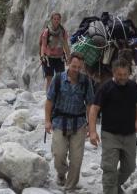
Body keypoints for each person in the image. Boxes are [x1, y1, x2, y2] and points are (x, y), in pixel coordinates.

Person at [88, 58, 137, 194]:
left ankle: (114, 186)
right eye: (119, 75)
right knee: (109, 168)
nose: (122, 77)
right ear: (114, 73)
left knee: (130, 167)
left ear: (129, 73)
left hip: (129, 134)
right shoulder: (105, 88)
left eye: (125, 74)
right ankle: (110, 190)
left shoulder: (133, 87)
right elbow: (94, 110)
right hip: (110, 134)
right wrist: (93, 132)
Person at [44, 52, 94, 190]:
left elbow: (90, 104)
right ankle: (61, 173)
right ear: (68, 63)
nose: (76, 70)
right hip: (60, 122)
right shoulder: (58, 79)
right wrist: (47, 121)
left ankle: (69, 187)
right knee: (58, 155)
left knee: (76, 160)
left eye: (79, 67)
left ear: (82, 67)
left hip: (79, 124)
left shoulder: (85, 81)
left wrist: (91, 126)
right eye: (74, 66)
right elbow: (49, 101)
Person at [40, 12, 71, 91]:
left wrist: (69, 57)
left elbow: (65, 45)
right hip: (48, 58)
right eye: (55, 19)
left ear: (60, 20)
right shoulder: (47, 31)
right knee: (49, 78)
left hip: (59, 58)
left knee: (60, 78)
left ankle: (58, 96)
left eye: (58, 19)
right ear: (51, 20)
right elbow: (43, 45)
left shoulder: (63, 32)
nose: (56, 21)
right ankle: (48, 97)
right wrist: (42, 55)